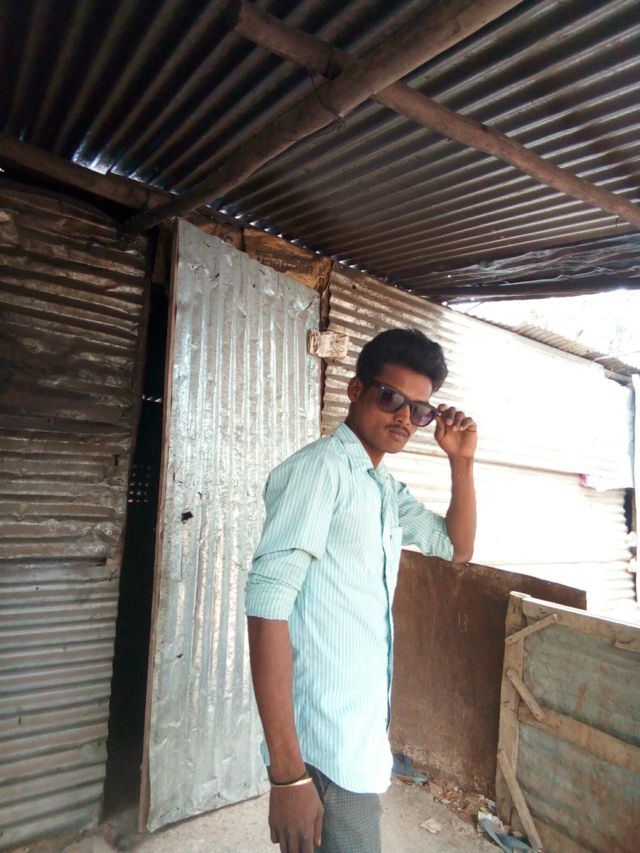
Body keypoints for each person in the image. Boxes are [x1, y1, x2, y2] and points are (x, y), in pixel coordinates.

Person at [245, 328, 477, 853]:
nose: (404, 418)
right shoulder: (320, 471)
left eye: (419, 410)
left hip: (358, 738)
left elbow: (455, 547)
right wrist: (288, 776)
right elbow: (266, 610)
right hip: (325, 751)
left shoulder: (381, 487)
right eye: (391, 397)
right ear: (355, 390)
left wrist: (461, 462)